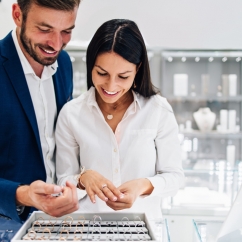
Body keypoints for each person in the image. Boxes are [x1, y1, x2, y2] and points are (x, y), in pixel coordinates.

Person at [55, 19, 184, 218]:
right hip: (88, 229)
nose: (111, 86)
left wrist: (143, 185)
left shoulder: (157, 110)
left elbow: (175, 178)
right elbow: (62, 180)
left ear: (138, 69)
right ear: (91, 66)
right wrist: (82, 179)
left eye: (123, 76)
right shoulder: (71, 114)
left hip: (143, 230)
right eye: (102, 73)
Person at [0, 0, 81, 223]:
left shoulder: (63, 63)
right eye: (44, 29)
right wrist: (24, 194)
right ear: (17, 15)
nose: (56, 44)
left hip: (53, 223)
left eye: (66, 31)